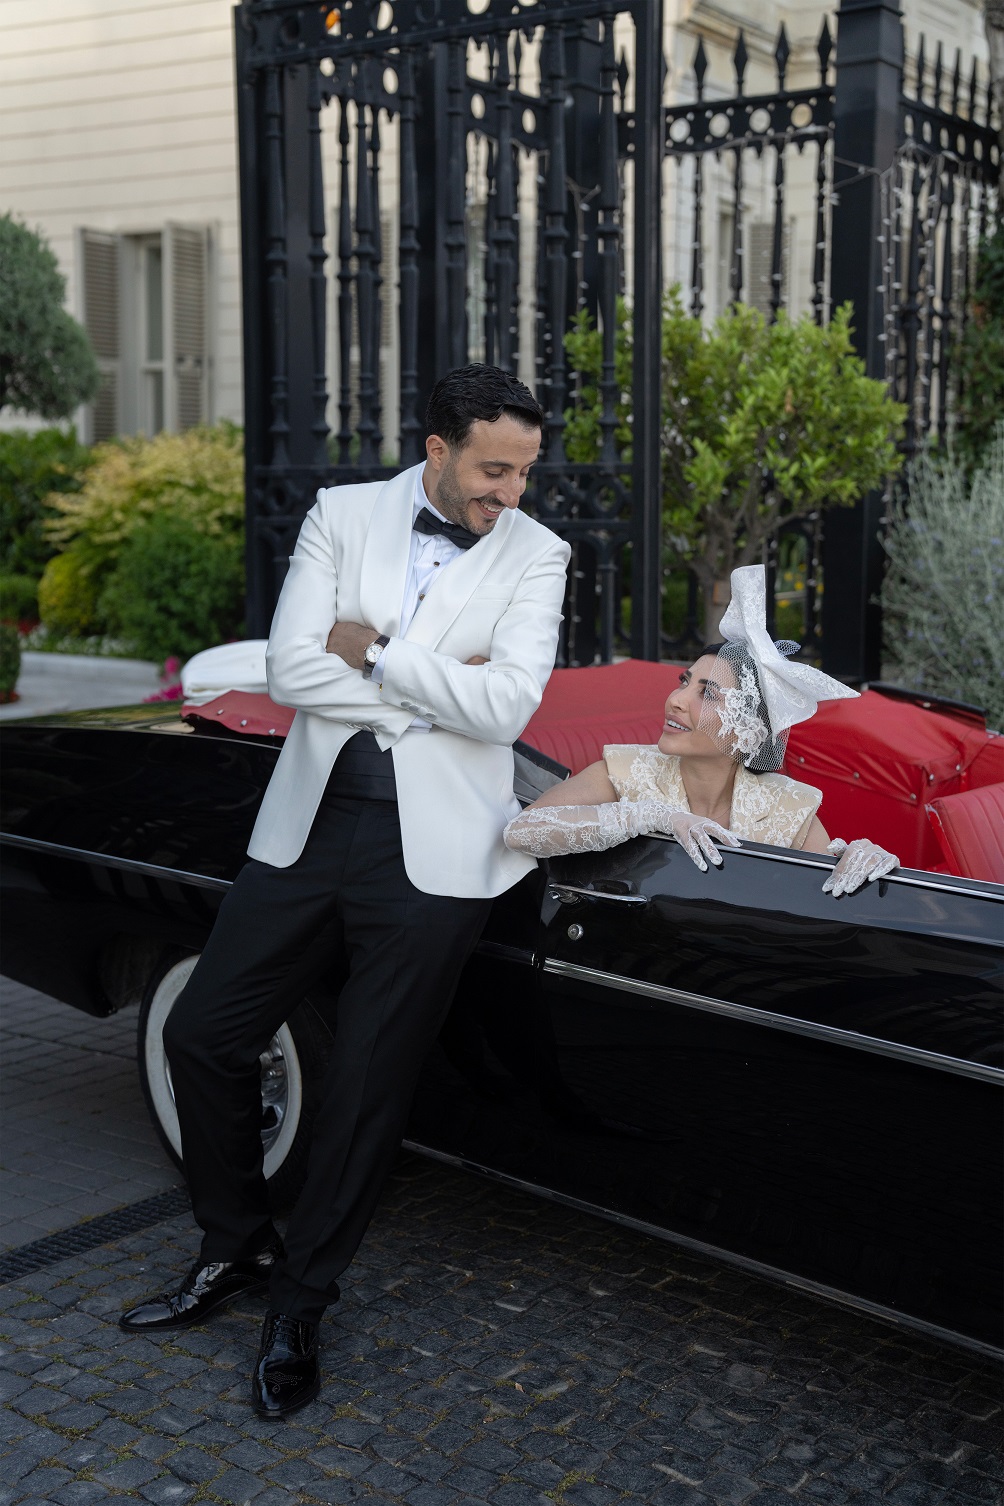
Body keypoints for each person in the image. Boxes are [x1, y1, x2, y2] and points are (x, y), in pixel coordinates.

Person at [119, 365, 570, 1417]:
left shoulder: (538, 552)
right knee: (203, 1033)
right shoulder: (341, 513)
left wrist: (377, 652)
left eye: (523, 473)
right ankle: (235, 1246)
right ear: (439, 448)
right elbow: (289, 671)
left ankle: (301, 1304)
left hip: (437, 857)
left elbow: (505, 710)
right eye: (493, 470)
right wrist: (436, 686)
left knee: (365, 1085)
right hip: (309, 826)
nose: (509, 493)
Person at [504, 564, 899, 895]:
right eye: (684, 681)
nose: (676, 699)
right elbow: (522, 831)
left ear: (748, 729)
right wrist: (645, 817)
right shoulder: (626, 770)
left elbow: (827, 891)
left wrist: (863, 862)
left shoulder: (787, 806)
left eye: (707, 693)